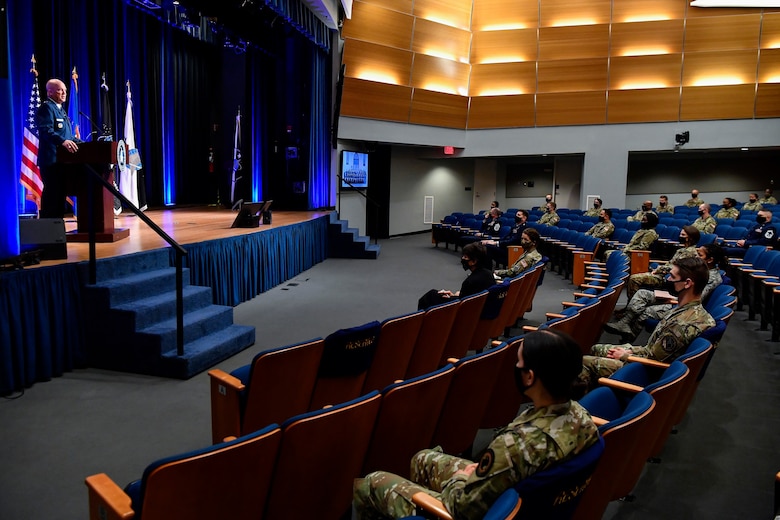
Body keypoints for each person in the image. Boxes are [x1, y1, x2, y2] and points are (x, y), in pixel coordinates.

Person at [353, 330, 599, 520]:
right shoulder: (582, 417)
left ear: (530, 376)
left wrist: (461, 478)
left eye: (519, 362)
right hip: (518, 496)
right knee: (422, 459)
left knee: (371, 483)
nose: (516, 367)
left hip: (470, 509)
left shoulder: (515, 445)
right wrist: (479, 473)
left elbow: (461, 508)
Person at [579, 256, 715, 391]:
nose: (667, 279)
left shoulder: (682, 323)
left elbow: (655, 359)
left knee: (582, 362)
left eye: (672, 277)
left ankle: (585, 405)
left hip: (647, 372)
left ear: (687, 283)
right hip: (647, 357)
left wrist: (625, 355)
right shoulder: (692, 311)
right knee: (596, 349)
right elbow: (653, 349)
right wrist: (629, 350)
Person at [604, 244, 724, 344]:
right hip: (676, 296)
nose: (696, 256)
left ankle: (627, 341)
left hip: (679, 303)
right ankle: (625, 322)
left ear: (710, 259)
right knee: (642, 293)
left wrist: (671, 298)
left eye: (700, 255)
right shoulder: (699, 269)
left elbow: (696, 297)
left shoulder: (711, 277)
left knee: (647, 312)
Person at [36, 78, 83, 218]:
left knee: (59, 197)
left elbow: (68, 136)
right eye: (59, 90)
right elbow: (46, 130)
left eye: (65, 90)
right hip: (51, 160)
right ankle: (48, 230)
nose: (64, 93)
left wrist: (84, 144)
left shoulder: (60, 110)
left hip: (62, 162)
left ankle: (57, 231)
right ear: (49, 92)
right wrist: (63, 141)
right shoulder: (46, 108)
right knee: (52, 196)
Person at [625, 225, 700, 299]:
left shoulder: (689, 252)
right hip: (665, 274)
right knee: (635, 277)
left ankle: (631, 305)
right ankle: (631, 303)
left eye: (683, 235)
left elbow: (676, 267)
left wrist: (658, 270)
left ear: (690, 238)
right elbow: (671, 263)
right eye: (680, 234)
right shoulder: (682, 250)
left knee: (634, 279)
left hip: (669, 278)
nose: (680, 236)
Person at [418, 242, 495, 310]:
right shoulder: (489, 274)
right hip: (478, 309)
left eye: (465, 257)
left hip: (466, 314)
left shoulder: (469, 281)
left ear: (473, 261)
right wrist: (454, 295)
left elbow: (462, 304)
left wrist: (452, 297)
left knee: (430, 296)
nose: (462, 259)